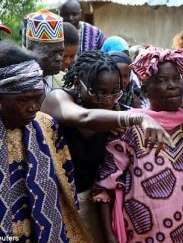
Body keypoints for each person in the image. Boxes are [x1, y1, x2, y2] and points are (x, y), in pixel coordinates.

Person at [40, 50, 173, 242]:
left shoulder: (113, 112)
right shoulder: (58, 99)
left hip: (89, 206)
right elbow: (83, 117)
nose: (108, 101)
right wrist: (137, 118)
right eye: (99, 92)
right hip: (56, 204)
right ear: (78, 84)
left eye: (114, 93)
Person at [91, 46, 183, 243]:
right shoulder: (130, 126)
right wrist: (109, 236)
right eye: (162, 80)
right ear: (144, 89)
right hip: (139, 233)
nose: (173, 86)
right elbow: (104, 185)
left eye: (176, 79)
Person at [0, 40, 89, 242]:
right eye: (23, 100)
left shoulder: (47, 126)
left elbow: (67, 184)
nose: (33, 107)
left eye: (37, 97)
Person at [25, 9, 64, 93]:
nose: (59, 58)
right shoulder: (14, 84)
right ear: (30, 51)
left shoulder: (66, 83)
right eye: (51, 53)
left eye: (61, 52)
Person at [53, 22, 80, 88]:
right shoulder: (46, 77)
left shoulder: (76, 72)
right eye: (64, 56)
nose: (68, 61)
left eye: (72, 56)